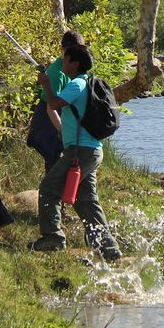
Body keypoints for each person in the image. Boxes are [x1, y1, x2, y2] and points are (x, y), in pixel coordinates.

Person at [31, 44, 121, 260]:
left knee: (49, 188)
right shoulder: (87, 82)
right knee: (86, 199)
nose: (62, 62)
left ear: (75, 63)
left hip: (80, 151)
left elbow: (53, 104)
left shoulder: (77, 84)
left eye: (65, 59)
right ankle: (108, 247)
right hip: (92, 150)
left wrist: (47, 84)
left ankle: (53, 238)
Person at [27, 30, 87, 172]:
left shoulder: (74, 70)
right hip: (48, 121)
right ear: (64, 51)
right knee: (56, 164)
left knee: (62, 166)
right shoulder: (57, 73)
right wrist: (62, 130)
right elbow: (51, 107)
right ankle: (50, 193)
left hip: (60, 118)